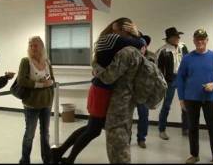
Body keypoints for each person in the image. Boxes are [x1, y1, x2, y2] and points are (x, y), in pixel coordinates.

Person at [50, 17, 146, 164]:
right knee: (93, 130)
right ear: (123, 28)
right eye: (128, 30)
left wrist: (138, 36)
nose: (129, 35)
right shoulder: (113, 38)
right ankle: (68, 158)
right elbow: (141, 44)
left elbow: (144, 42)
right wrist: (138, 34)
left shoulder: (111, 39)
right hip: (101, 90)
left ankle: (60, 152)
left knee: (91, 128)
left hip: (102, 90)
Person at [177, 29, 213, 164]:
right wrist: (181, 99)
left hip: (210, 98)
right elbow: (180, 79)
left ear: (207, 40)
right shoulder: (187, 58)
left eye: (202, 39)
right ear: (193, 40)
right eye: (197, 39)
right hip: (190, 99)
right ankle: (194, 154)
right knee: (192, 128)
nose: (200, 42)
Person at [18, 36, 55, 164]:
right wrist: (40, 84)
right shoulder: (25, 61)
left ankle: (47, 159)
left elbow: (52, 80)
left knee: (45, 134)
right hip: (31, 104)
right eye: (31, 45)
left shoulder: (47, 62)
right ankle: (25, 160)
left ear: (41, 46)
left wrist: (48, 83)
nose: (33, 47)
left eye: (35, 45)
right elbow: (21, 80)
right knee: (29, 135)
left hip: (46, 103)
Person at [156, 27, 189, 140]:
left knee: (185, 104)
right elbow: (158, 69)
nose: (177, 38)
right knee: (166, 105)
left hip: (183, 79)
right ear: (168, 39)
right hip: (169, 80)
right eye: (175, 37)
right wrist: (162, 82)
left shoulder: (183, 47)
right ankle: (162, 129)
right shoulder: (163, 51)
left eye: (178, 36)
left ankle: (186, 128)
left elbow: (188, 62)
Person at [136, 35, 157, 149]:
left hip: (144, 91)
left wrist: (153, 96)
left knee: (144, 116)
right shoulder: (130, 55)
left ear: (146, 46)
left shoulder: (152, 56)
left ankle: (141, 138)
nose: (141, 48)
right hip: (129, 90)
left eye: (143, 45)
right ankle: (126, 138)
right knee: (127, 116)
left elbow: (156, 76)